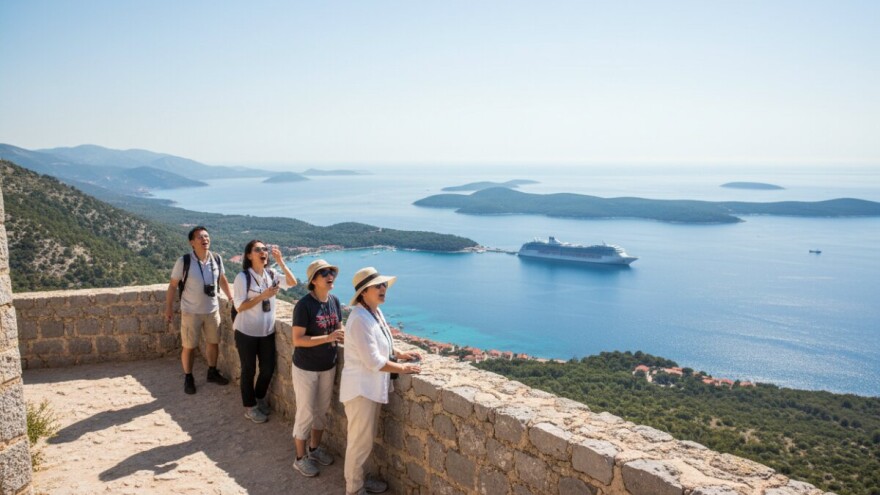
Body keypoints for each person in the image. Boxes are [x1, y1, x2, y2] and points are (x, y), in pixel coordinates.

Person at [340, 267, 421, 495]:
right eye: (378, 286)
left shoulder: (374, 312)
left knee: (365, 440)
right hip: (361, 390)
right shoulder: (359, 320)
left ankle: (361, 480)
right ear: (364, 292)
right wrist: (403, 368)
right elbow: (373, 360)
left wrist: (400, 353)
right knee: (359, 442)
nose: (383, 288)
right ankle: (354, 489)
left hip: (370, 388)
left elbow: (383, 342)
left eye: (383, 285)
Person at [232, 240, 297, 423]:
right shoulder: (242, 278)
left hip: (266, 331)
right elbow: (239, 307)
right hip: (246, 332)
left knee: (268, 369)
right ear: (249, 255)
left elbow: (292, 283)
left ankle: (259, 398)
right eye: (258, 250)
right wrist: (263, 296)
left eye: (264, 249)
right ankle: (250, 407)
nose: (263, 252)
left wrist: (281, 262)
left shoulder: (271, 274)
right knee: (249, 370)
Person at [290, 259, 345, 477]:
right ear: (313, 280)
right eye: (324, 273)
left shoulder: (335, 301)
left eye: (331, 271)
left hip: (327, 365)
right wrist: (328, 337)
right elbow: (297, 339)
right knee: (305, 412)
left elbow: (339, 331)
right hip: (306, 368)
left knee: (321, 411)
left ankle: (314, 449)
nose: (330, 275)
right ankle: (300, 458)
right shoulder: (304, 305)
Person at [165, 226, 233, 395]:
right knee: (189, 346)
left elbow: (222, 279)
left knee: (213, 342)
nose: (205, 240)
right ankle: (188, 377)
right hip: (191, 312)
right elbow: (173, 285)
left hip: (212, 310)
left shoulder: (216, 259)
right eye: (200, 237)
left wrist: (231, 298)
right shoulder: (184, 261)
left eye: (207, 237)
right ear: (192, 242)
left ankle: (212, 372)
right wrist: (169, 309)